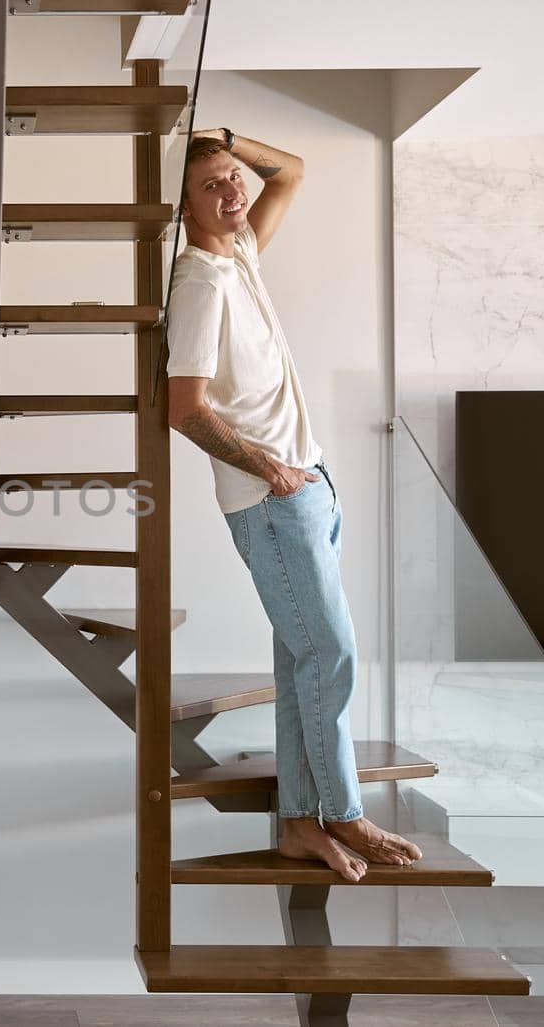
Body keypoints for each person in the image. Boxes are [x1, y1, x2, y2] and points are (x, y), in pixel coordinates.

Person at [164, 128, 422, 881]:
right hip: (273, 500)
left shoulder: (238, 252)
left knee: (301, 658)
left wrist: (228, 141)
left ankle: (299, 826)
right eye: (211, 185)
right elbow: (183, 408)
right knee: (330, 653)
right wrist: (266, 468)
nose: (233, 191)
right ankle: (341, 811)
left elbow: (293, 174)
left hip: (309, 486)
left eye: (232, 178)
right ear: (182, 205)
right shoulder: (202, 284)